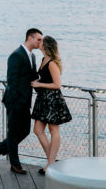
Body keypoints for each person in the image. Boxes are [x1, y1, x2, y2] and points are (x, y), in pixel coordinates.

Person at [0, 28, 42, 174]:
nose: (40, 42)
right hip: (14, 101)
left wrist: (44, 90)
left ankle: (0, 147)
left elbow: (32, 77)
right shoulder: (16, 55)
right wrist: (15, 103)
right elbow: (12, 81)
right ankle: (15, 165)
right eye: (38, 39)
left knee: (25, 130)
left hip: (25, 101)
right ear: (30, 38)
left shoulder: (31, 57)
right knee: (13, 132)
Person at [31, 35, 72, 175]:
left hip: (52, 99)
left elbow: (57, 84)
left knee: (53, 129)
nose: (39, 42)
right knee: (37, 130)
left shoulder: (52, 63)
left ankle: (50, 162)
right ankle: (52, 160)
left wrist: (39, 84)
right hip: (43, 98)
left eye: (41, 41)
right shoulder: (43, 59)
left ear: (46, 46)